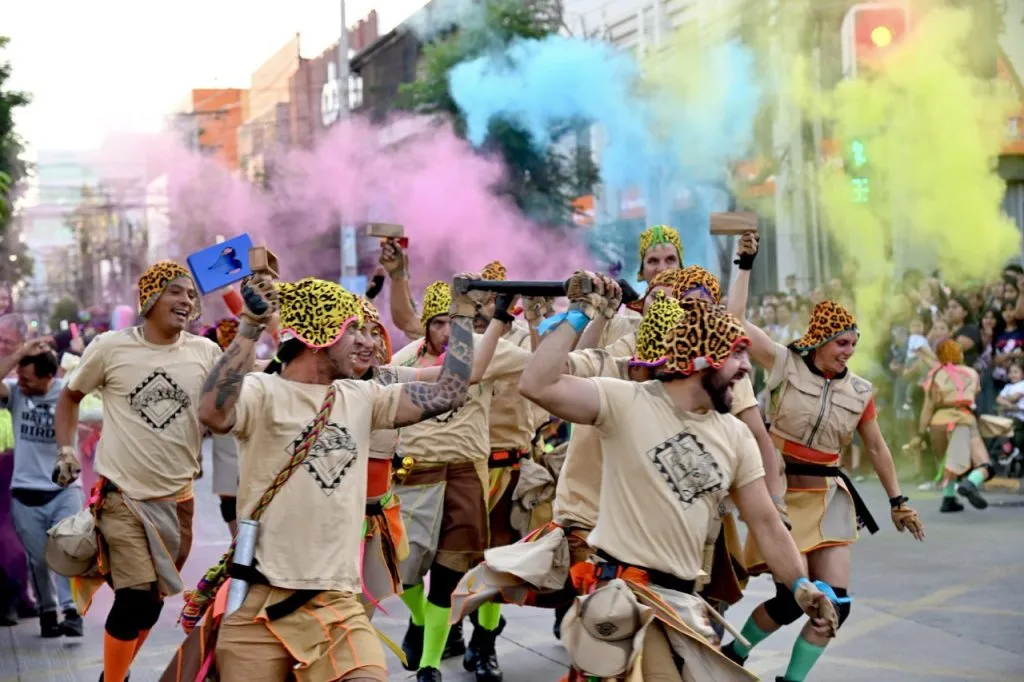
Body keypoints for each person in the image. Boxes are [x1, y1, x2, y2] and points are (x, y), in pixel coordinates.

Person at [517, 271, 839, 681]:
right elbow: (536, 384)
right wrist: (580, 312)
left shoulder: (735, 436)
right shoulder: (624, 402)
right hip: (627, 599)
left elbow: (766, 524)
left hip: (685, 605)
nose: (746, 367)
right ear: (703, 358)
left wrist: (800, 586)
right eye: (737, 354)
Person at [198, 274, 476, 682]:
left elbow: (449, 391)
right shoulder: (262, 391)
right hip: (257, 604)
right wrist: (250, 326)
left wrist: (464, 315)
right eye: (353, 330)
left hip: (338, 607)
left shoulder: (362, 396)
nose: (367, 342)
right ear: (318, 336)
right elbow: (213, 412)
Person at [723, 235, 924, 682]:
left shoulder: (860, 391)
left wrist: (898, 501)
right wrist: (745, 263)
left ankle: (791, 681)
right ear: (819, 341)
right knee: (788, 602)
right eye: (841, 344)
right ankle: (733, 654)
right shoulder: (783, 363)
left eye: (853, 344)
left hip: (829, 497)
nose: (848, 352)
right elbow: (734, 323)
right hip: (781, 494)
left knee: (836, 605)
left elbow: (877, 447)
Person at [53, 260, 220, 682]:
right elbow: (70, 397)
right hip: (121, 498)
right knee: (134, 599)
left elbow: (237, 399)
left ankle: (116, 674)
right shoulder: (111, 347)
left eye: (191, 295)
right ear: (149, 299)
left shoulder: (205, 351)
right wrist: (65, 451)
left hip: (179, 503)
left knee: (151, 603)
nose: (186, 301)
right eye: (175, 291)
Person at [2, 338, 84, 638]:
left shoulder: (67, 393)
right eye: (20, 378)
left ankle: (72, 612)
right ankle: (48, 611)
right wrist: (19, 354)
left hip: (65, 489)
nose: (21, 383)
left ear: (49, 376)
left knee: (67, 551)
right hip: (25, 492)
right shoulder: (15, 393)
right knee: (38, 560)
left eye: (28, 379)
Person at [920, 339, 994, 512]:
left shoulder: (935, 374)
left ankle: (948, 499)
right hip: (962, 419)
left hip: (938, 422)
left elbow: (928, 406)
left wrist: (920, 432)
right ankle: (970, 483)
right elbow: (974, 394)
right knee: (985, 465)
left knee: (949, 462)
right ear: (958, 354)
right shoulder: (971, 372)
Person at [203, 318, 242, 535]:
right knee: (231, 497)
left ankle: (239, 544)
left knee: (232, 497)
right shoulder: (214, 370)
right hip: (227, 436)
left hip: (237, 436)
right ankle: (239, 545)